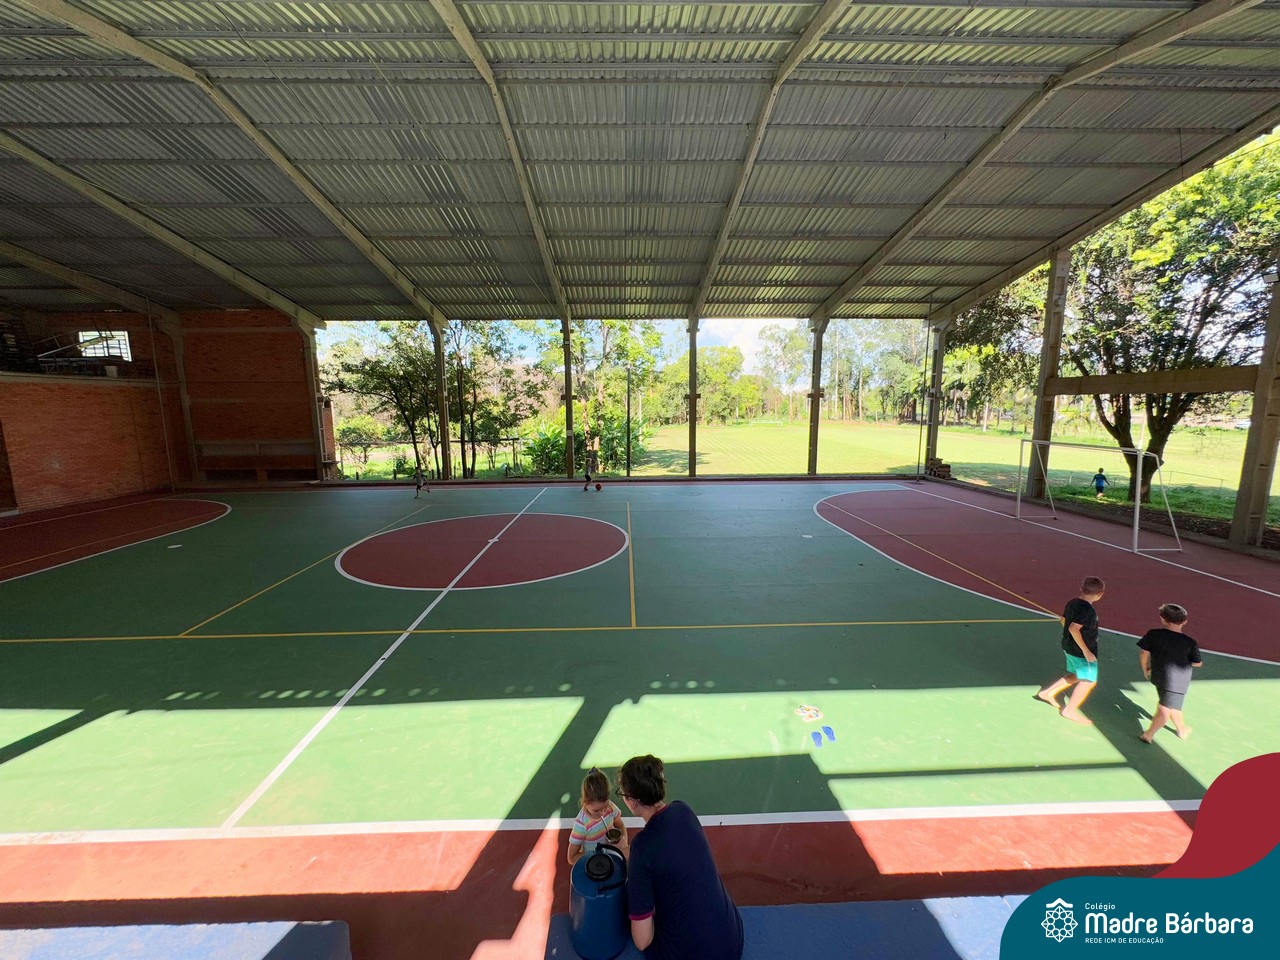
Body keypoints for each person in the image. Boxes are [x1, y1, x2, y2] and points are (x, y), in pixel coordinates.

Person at [618, 754, 743, 960]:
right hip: (732, 942)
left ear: (632, 802)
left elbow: (642, 941)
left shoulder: (642, 846)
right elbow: (666, 853)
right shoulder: (683, 810)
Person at [1037, 576, 1106, 725]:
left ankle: (1047, 693)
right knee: (1088, 681)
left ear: (1081, 588)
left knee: (1076, 675)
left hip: (1068, 646)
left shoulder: (1072, 603)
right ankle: (1069, 710)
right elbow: (1074, 628)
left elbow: (1063, 621)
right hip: (1081, 652)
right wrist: (1086, 651)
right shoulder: (1089, 611)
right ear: (1100, 594)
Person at [1137, 603, 1202, 743]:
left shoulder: (1153, 634)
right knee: (1165, 708)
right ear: (1185, 621)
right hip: (1177, 682)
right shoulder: (1190, 642)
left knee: (1173, 705)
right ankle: (1149, 734)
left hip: (1158, 676)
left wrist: (1146, 668)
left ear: (1163, 619)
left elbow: (1143, 653)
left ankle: (1181, 729)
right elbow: (1197, 663)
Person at [567, 767, 629, 866]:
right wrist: (597, 855)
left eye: (605, 807)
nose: (602, 813)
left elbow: (620, 826)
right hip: (595, 864)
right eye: (596, 810)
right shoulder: (582, 824)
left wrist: (623, 843)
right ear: (585, 801)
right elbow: (572, 858)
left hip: (611, 857)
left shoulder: (611, 808)